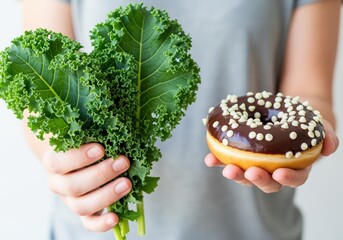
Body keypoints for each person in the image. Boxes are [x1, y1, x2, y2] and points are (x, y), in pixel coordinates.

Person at [22, 0, 340, 239]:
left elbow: (309, 91)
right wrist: (71, 160)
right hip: (94, 230)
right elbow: (41, 82)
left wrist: (315, 132)